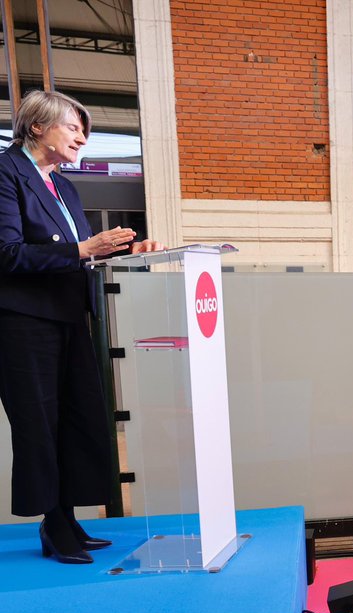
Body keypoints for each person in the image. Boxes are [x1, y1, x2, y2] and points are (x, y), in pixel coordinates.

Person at [0, 89, 164, 564]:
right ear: (37, 127)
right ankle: (53, 525)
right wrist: (84, 250)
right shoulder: (5, 173)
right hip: (23, 323)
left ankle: (68, 518)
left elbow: (80, 250)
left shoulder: (63, 186)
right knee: (39, 426)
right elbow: (8, 253)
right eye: (73, 127)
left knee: (75, 421)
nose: (82, 138)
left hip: (72, 315)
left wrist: (123, 250)